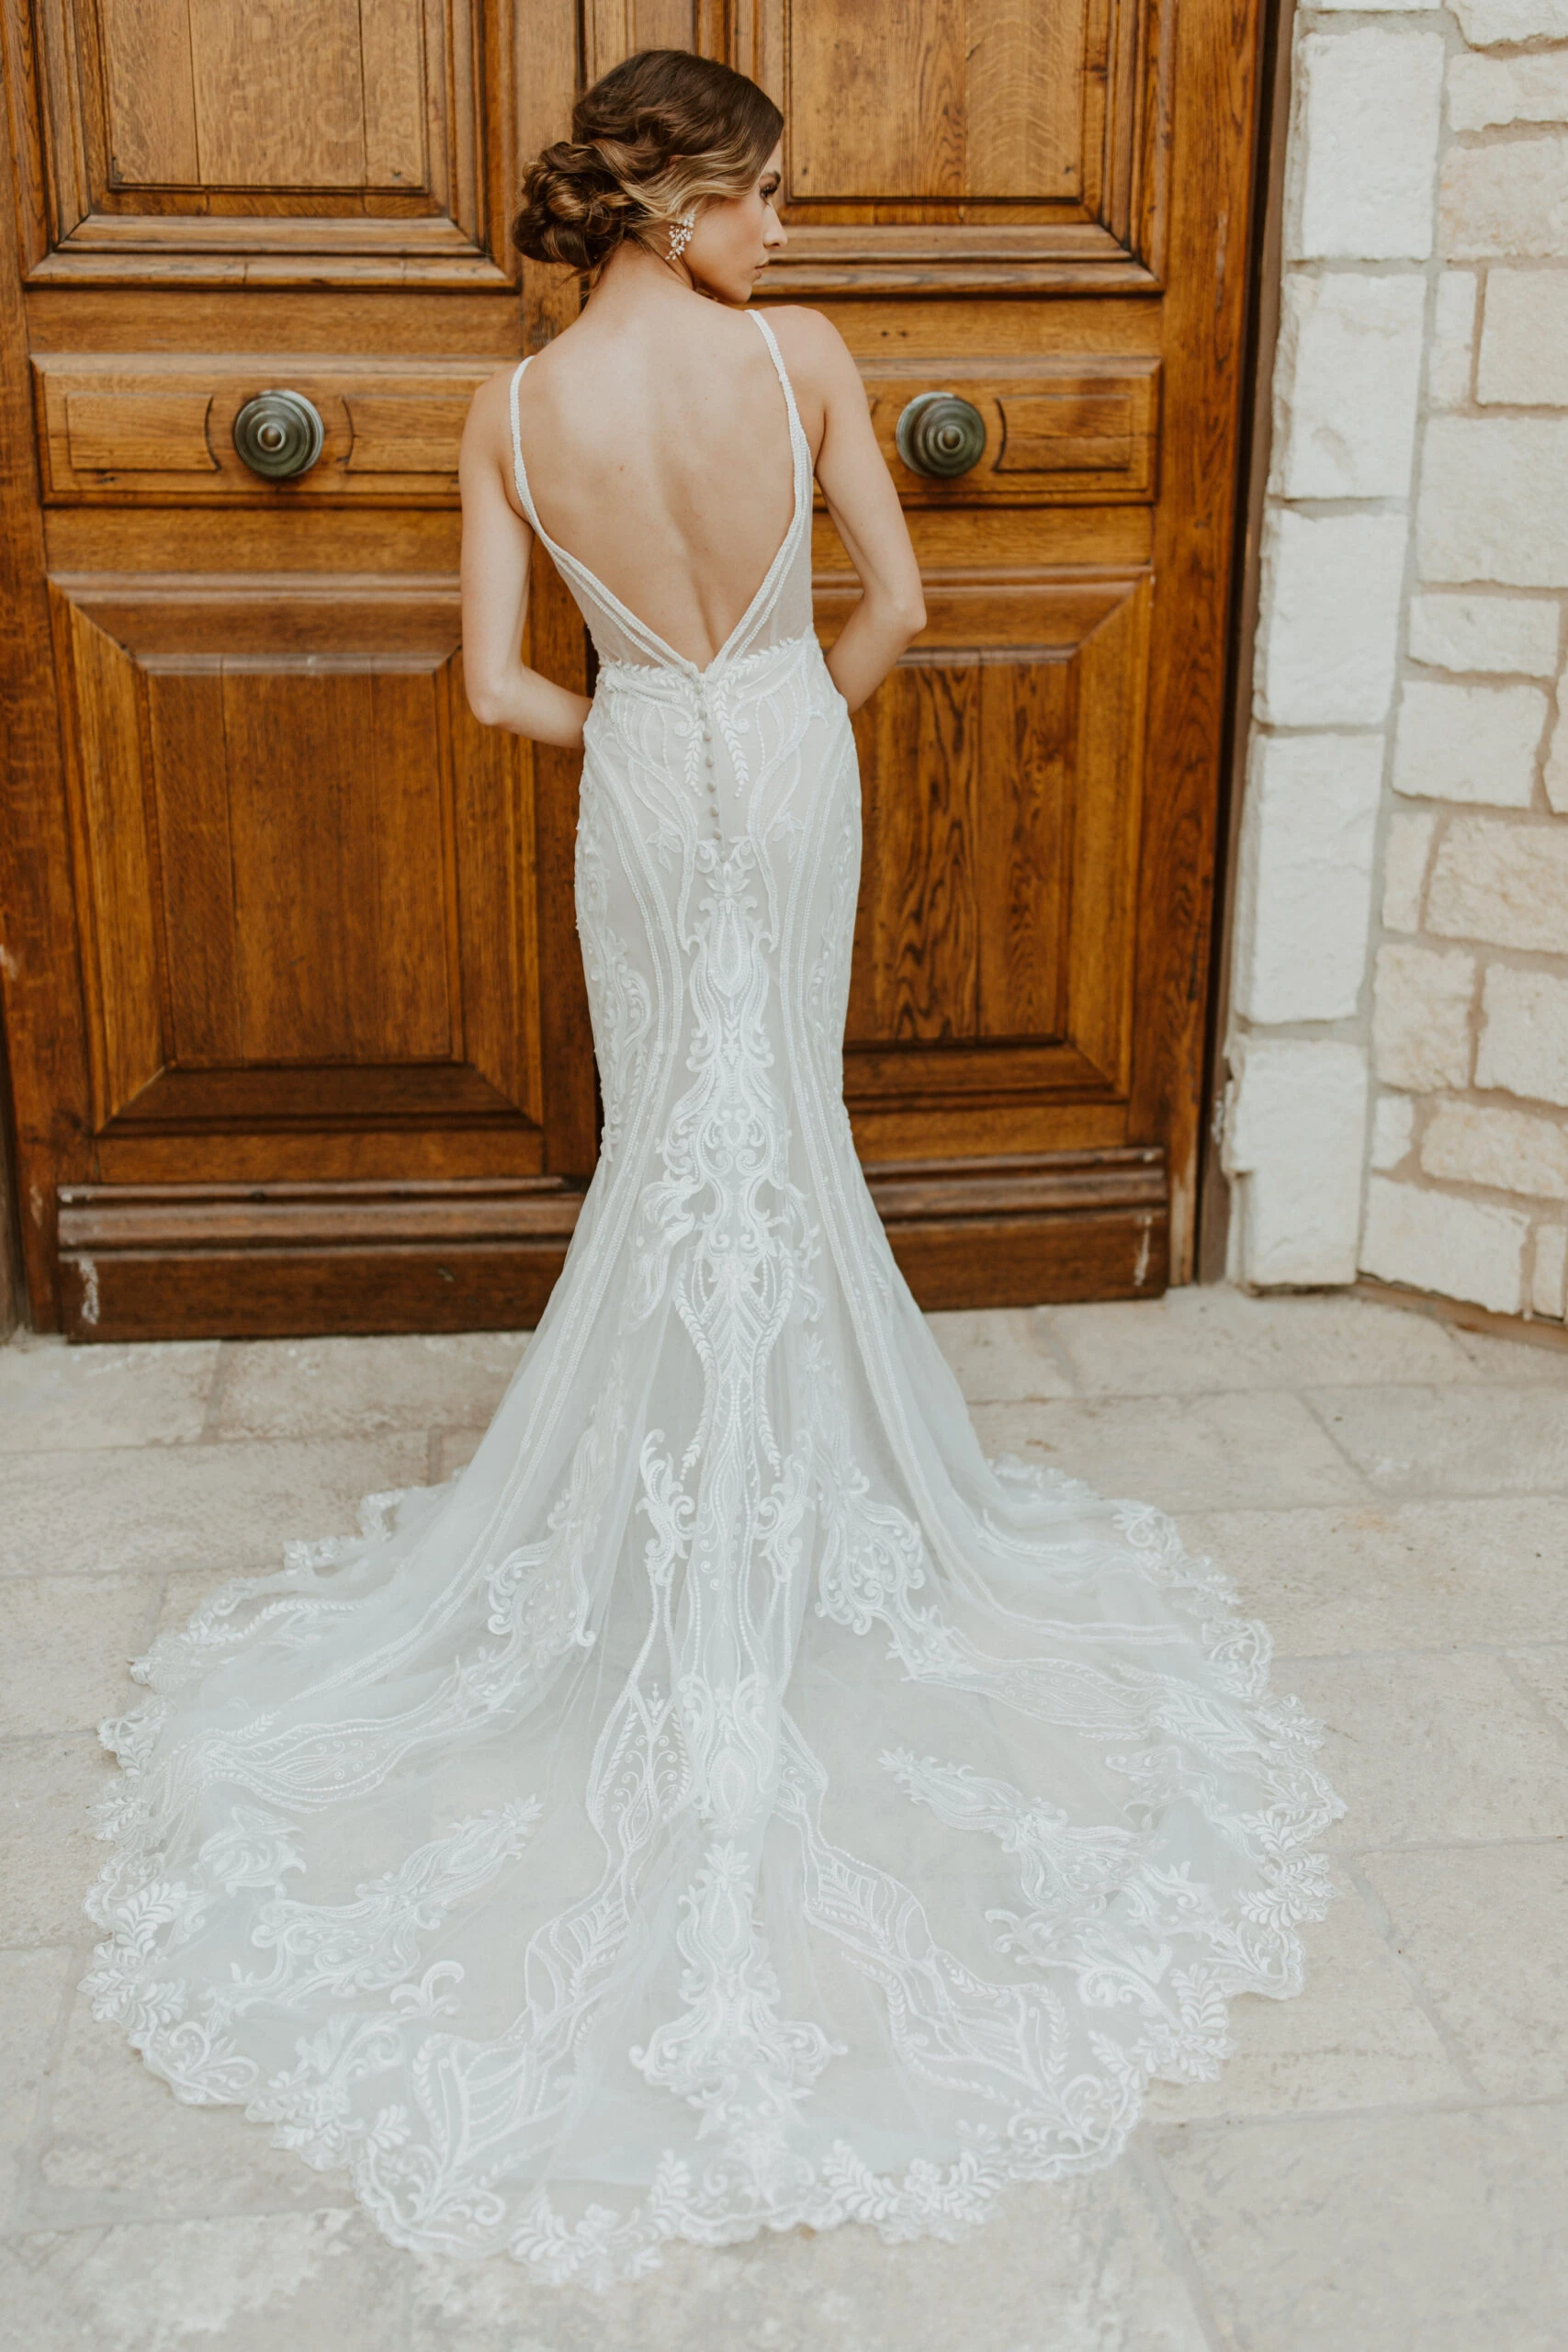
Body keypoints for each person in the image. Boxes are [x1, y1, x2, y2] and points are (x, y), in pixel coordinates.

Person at [85, 50, 1342, 2293]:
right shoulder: (798, 366)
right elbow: (906, 609)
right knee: (778, 1135)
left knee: (680, 1146)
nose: (786, 236)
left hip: (649, 780)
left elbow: (495, 688)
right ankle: (781, 1534)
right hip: (780, 745)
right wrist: (788, 710)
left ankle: (675, 1540)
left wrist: (647, 726)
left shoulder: (510, 412)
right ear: (673, 207)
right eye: (763, 199)